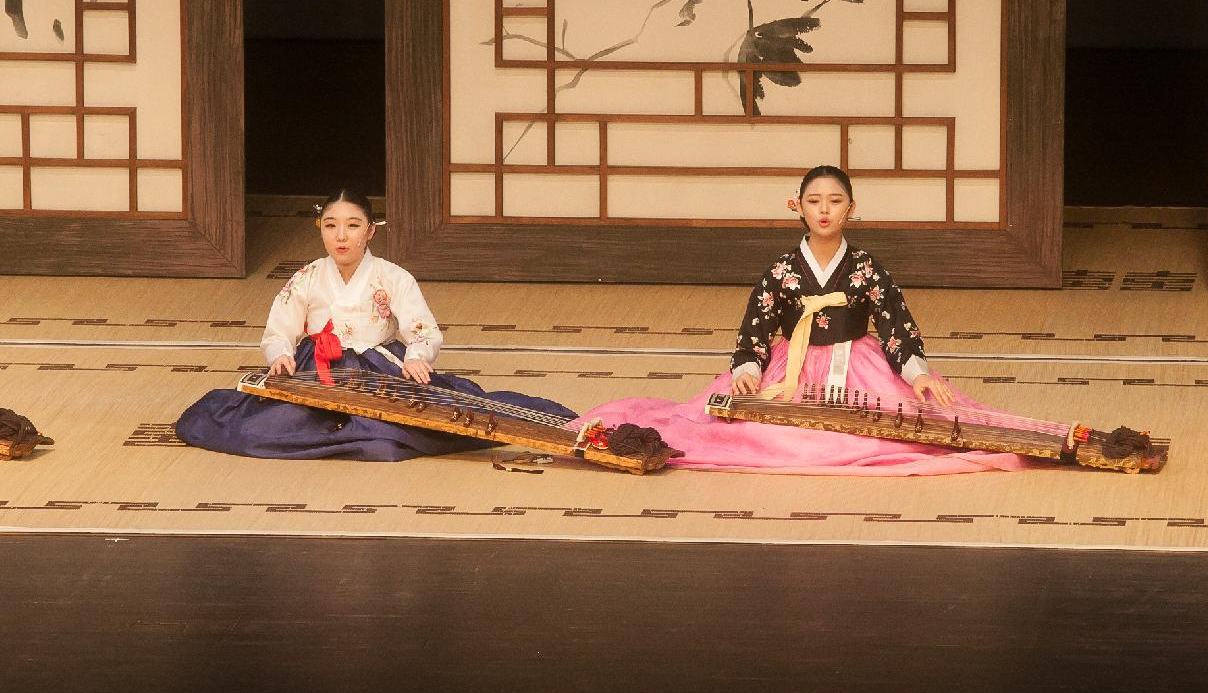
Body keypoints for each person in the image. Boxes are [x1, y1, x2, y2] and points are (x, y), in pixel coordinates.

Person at [576, 165, 1031, 475]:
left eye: (835, 201)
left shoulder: (867, 267)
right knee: (753, 432)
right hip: (792, 366)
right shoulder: (782, 270)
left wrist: (918, 375)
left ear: (852, 207)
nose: (825, 210)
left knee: (905, 428)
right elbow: (755, 330)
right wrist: (748, 370)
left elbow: (897, 328)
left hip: (859, 365)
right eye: (814, 201)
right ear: (796, 206)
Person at [176, 189, 576, 460]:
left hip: (378, 366)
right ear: (320, 228)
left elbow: (421, 328)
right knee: (254, 429)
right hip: (318, 369)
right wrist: (280, 354)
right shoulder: (307, 277)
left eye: (353, 225)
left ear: (369, 231)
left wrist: (417, 355)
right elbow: (280, 329)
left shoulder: (393, 276)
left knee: (407, 430)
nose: (341, 236)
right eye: (331, 225)